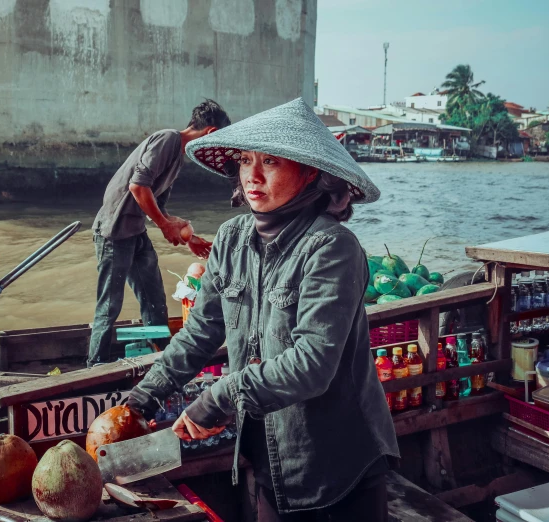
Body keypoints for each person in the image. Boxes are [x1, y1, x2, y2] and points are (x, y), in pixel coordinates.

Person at [127, 98, 399, 521]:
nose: (251, 176)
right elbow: (201, 331)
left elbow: (312, 364)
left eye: (270, 161)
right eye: (245, 160)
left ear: (311, 172)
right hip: (266, 458)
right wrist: (140, 401)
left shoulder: (332, 248)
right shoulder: (233, 238)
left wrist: (220, 396)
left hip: (335, 463)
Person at [87, 100, 232, 367]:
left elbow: (158, 205)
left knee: (154, 301)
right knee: (109, 307)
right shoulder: (168, 139)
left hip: (135, 233)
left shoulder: (178, 157)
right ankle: (94, 368)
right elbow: (138, 187)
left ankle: (161, 357)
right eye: (217, 143)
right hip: (113, 232)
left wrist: (189, 237)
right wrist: (165, 226)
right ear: (211, 133)